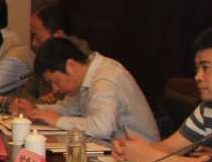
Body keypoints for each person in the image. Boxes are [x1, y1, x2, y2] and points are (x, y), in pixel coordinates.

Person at [113, 27, 212, 162]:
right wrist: (129, 150)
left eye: (206, 68)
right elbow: (170, 148)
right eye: (197, 68)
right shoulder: (210, 105)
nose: (197, 76)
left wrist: (147, 156)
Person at [9, 38, 158, 143]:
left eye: (55, 81)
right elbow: (68, 109)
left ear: (71, 66)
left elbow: (102, 127)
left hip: (141, 161)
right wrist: (36, 110)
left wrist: (58, 120)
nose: (55, 89)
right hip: (112, 151)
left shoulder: (105, 78)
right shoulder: (84, 76)